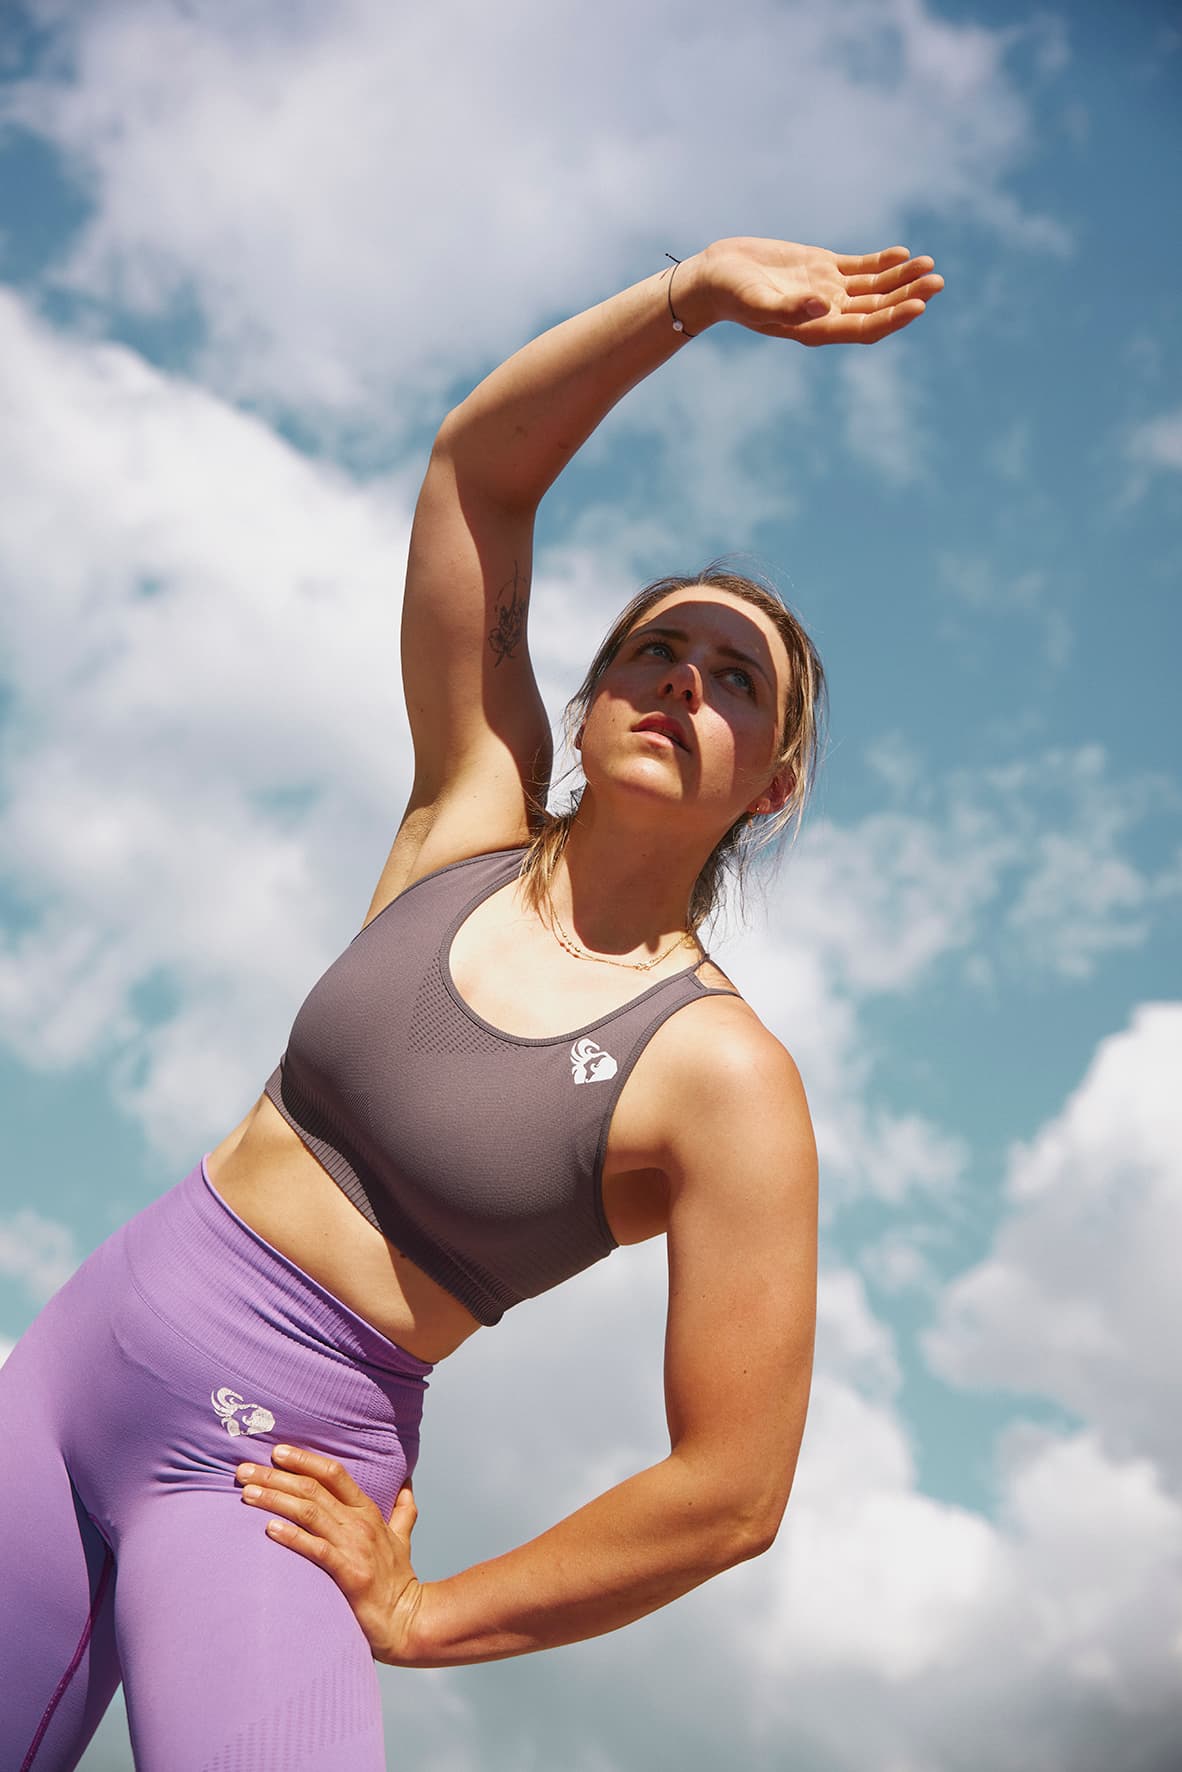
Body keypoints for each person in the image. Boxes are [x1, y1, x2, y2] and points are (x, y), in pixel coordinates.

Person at [1, 234, 942, 1769]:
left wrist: (436, 1613)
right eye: (656, 649)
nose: (683, 684)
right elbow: (474, 479)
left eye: (735, 679)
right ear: (582, 702)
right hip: (58, 1379)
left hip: (266, 1489)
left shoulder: (717, 1074)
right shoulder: (466, 821)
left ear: (768, 789)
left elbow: (732, 1488)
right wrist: (689, 295)